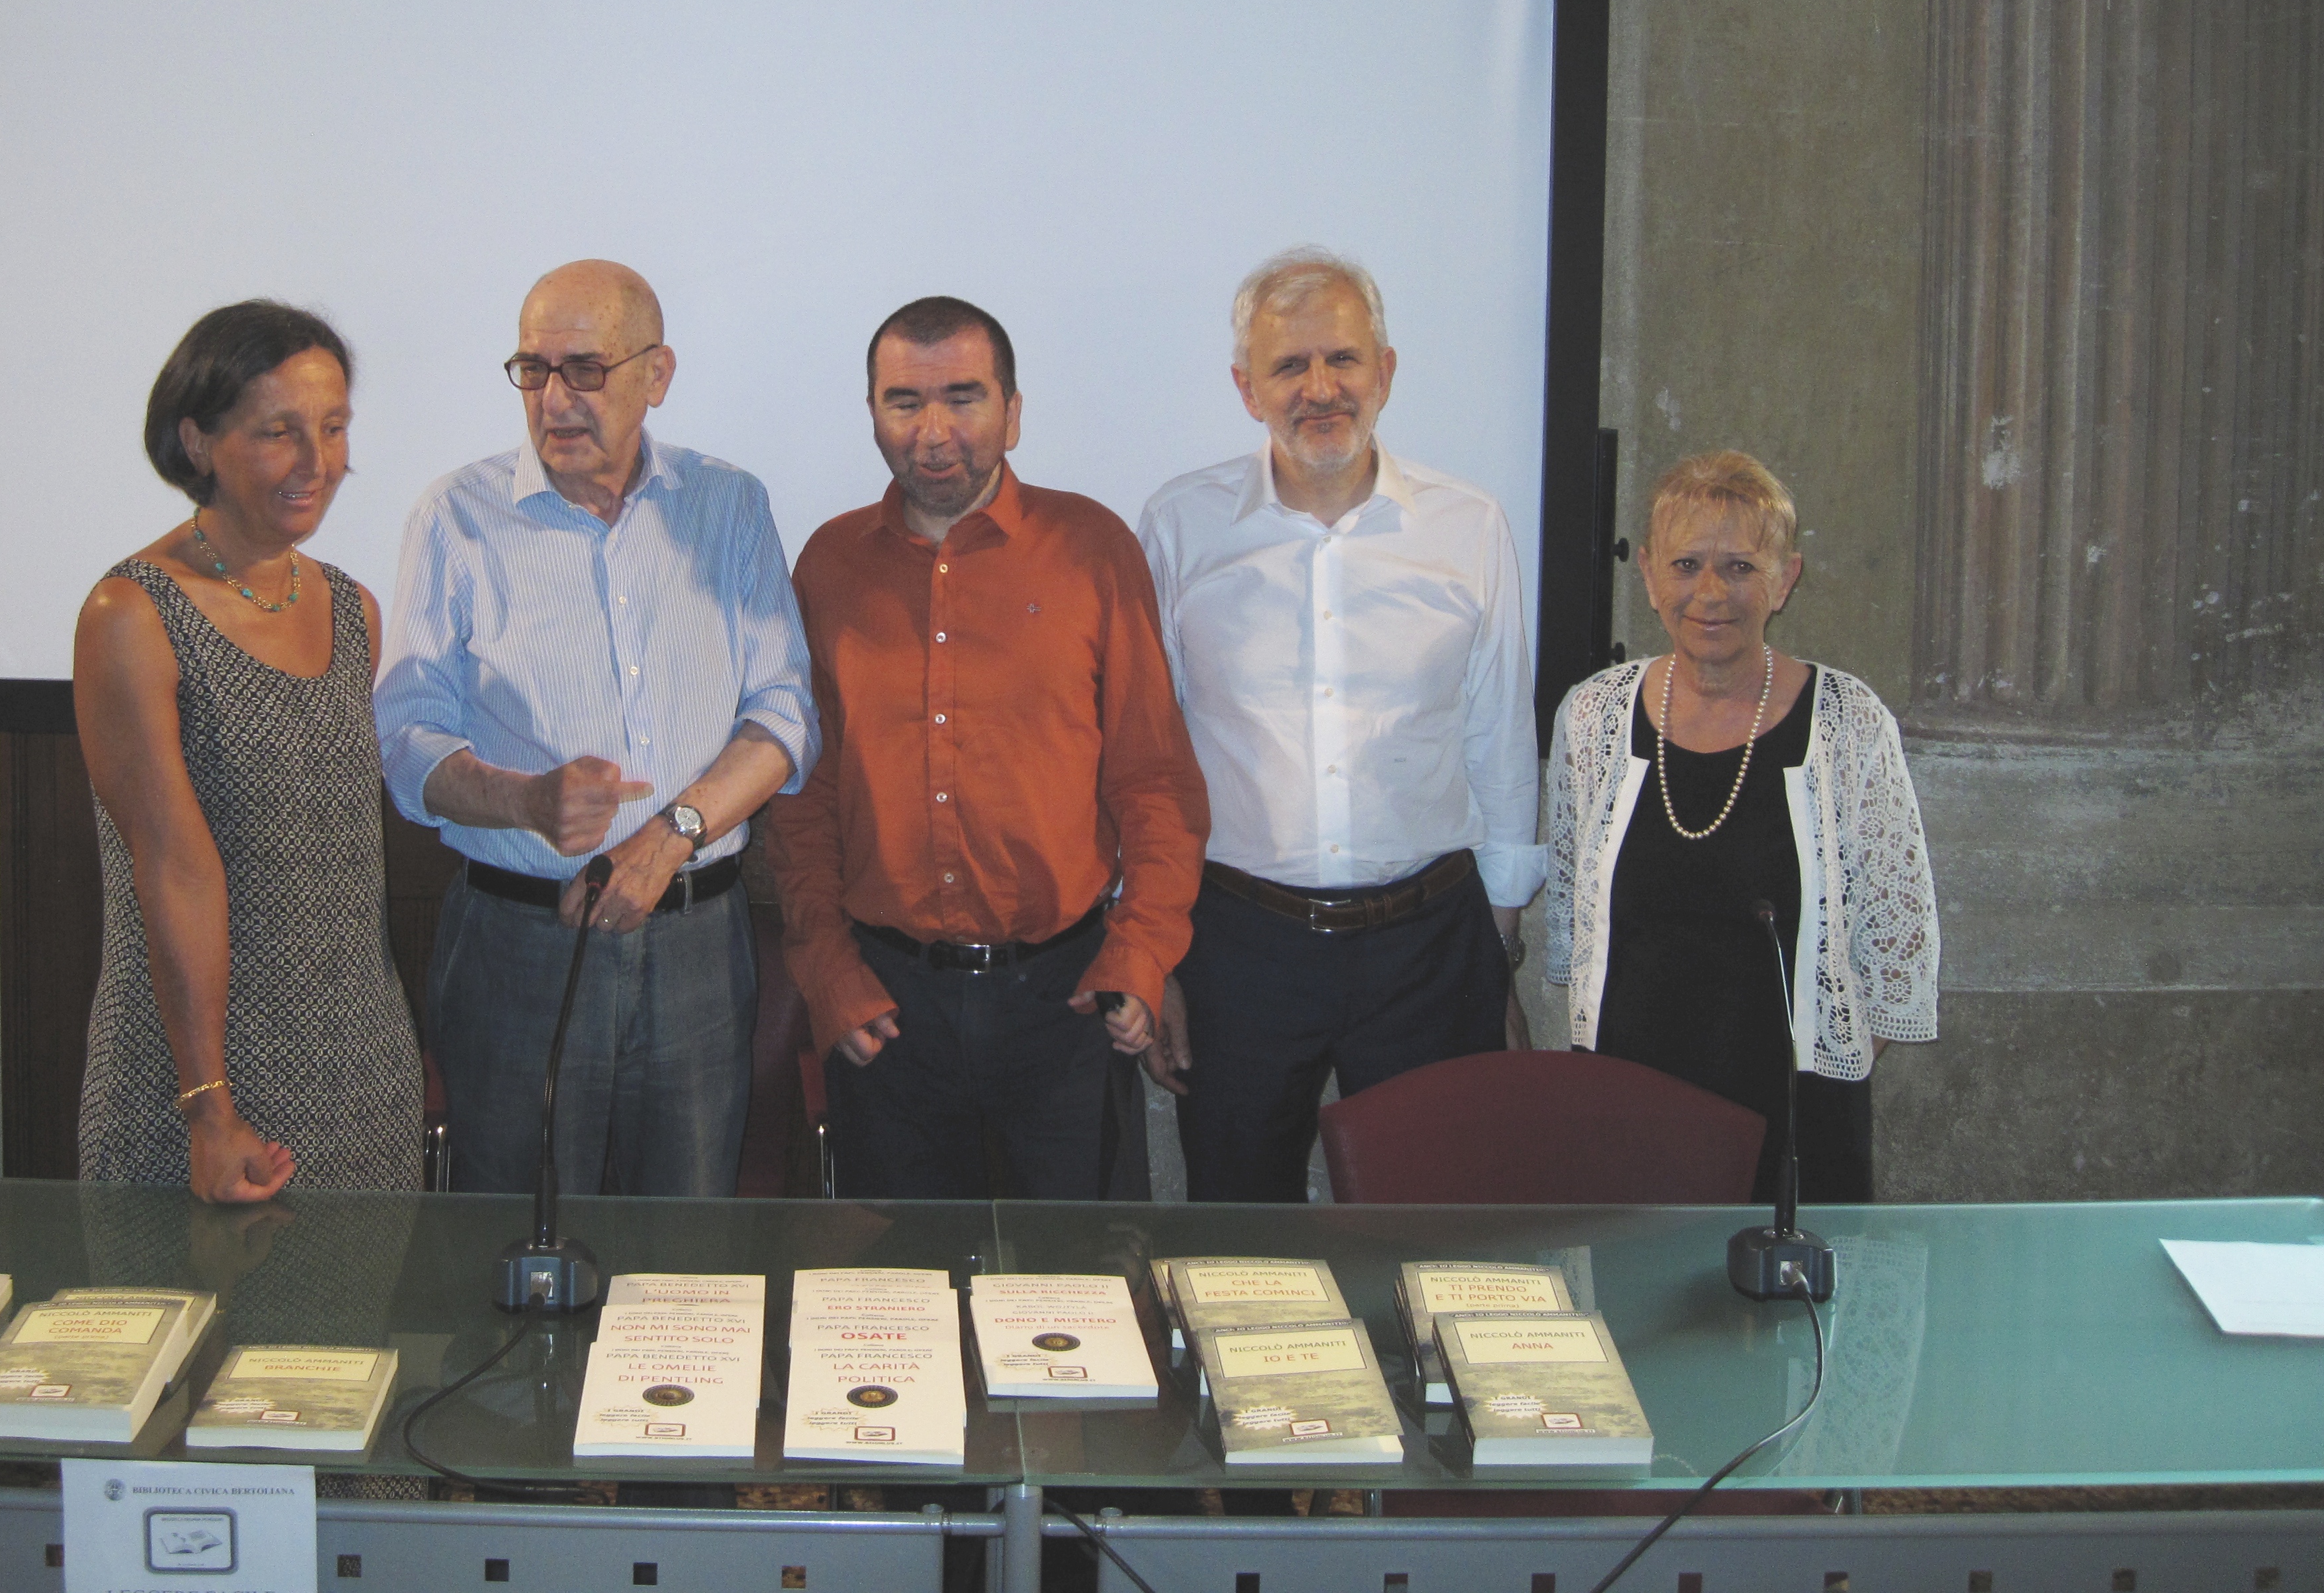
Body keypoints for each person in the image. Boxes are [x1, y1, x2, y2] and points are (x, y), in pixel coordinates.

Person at [375, 260, 816, 1199]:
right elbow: (408, 741)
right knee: (516, 1237)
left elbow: (783, 714)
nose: (554, 399)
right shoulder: (455, 517)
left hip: (698, 943)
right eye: (533, 370)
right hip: (519, 941)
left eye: (585, 369)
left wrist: (672, 835)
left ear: (656, 375)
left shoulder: (728, 505)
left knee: (683, 1249)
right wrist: (522, 799)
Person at [771, 297, 1207, 1200]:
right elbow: (805, 799)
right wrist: (828, 973)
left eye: (963, 399)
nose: (933, 434)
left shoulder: (1092, 549)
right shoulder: (830, 565)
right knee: (900, 1281)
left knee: (1082, 1278)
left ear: (1012, 412)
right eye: (904, 403)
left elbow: (1155, 782)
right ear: (872, 413)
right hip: (886, 1007)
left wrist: (1140, 955)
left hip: (1068, 1002)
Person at [1138, 247, 1541, 1202]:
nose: (1320, 389)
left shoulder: (1469, 526)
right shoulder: (1180, 526)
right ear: (1247, 389)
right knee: (1239, 1238)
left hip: (1428, 947)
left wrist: (1494, 947)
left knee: (1436, 1228)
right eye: (1289, 366)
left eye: (1344, 360)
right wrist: (1152, 951)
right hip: (1239, 948)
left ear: (1385, 372)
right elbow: (1149, 755)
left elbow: (1498, 733)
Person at [72, 300, 423, 1200]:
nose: (318, 462)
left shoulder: (352, 609)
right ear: (199, 441)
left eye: (333, 428)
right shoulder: (133, 613)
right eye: (279, 432)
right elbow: (174, 871)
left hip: (363, 1083)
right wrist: (208, 1108)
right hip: (198, 1087)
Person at [1544, 451, 1938, 1200]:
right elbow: (1573, 926)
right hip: (1627, 1119)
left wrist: (1815, 1082)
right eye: (1687, 564)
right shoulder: (1592, 717)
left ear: (1785, 580)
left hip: (1791, 1130)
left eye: (1741, 568)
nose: (1711, 593)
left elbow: (1898, 957)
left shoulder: (1850, 725)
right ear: (1649, 574)